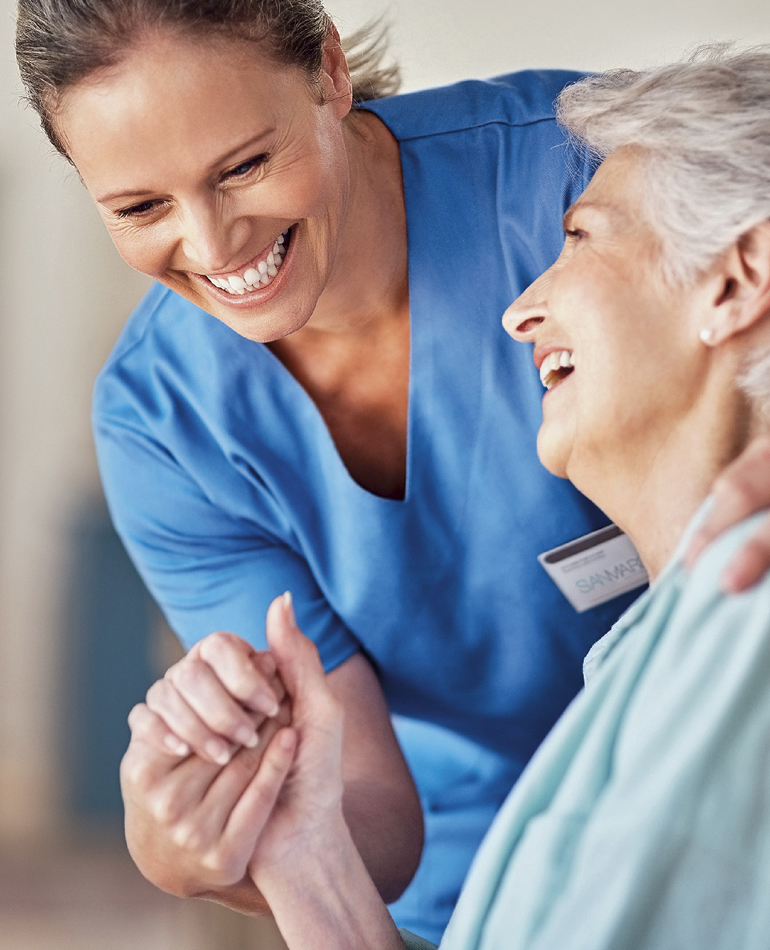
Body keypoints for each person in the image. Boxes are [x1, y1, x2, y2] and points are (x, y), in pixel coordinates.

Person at [14, 1, 770, 938]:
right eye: (139, 207)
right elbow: (352, 794)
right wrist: (228, 840)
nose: (213, 248)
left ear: (329, 72)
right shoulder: (165, 422)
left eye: (246, 166)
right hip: (472, 891)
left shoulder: (586, 181)